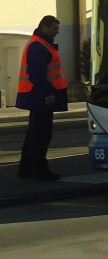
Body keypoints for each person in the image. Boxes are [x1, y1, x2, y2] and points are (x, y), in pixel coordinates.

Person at [16, 15, 69, 182]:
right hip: (40, 96)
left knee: (34, 133)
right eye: (54, 29)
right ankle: (40, 170)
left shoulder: (39, 43)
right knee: (41, 134)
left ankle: (26, 168)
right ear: (44, 27)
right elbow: (37, 74)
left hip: (35, 94)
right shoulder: (39, 46)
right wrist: (47, 94)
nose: (56, 32)